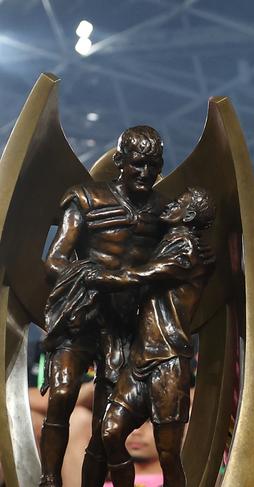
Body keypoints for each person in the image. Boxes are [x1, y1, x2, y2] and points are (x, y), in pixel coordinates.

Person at [40, 126, 168, 487]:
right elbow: (55, 260)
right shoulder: (85, 199)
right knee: (63, 394)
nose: (145, 174)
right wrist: (91, 276)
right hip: (82, 315)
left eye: (153, 166)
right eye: (138, 165)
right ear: (119, 163)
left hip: (124, 327)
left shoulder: (162, 211)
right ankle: (49, 478)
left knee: (104, 424)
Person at [86, 187, 215, 487]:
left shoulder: (185, 250)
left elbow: (140, 275)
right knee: (110, 432)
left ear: (191, 215)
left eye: (180, 202)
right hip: (141, 359)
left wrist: (96, 276)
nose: (172, 203)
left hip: (168, 362)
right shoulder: (169, 242)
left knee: (168, 454)